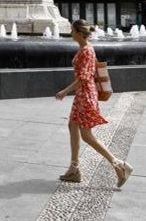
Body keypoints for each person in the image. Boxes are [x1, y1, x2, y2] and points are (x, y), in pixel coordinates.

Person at [54, 18, 132, 187]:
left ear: (78, 32)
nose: (70, 33)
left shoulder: (86, 51)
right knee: (72, 126)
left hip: (85, 95)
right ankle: (74, 169)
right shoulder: (84, 48)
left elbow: (84, 77)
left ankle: (119, 165)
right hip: (83, 95)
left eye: (72, 30)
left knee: (87, 136)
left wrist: (65, 91)